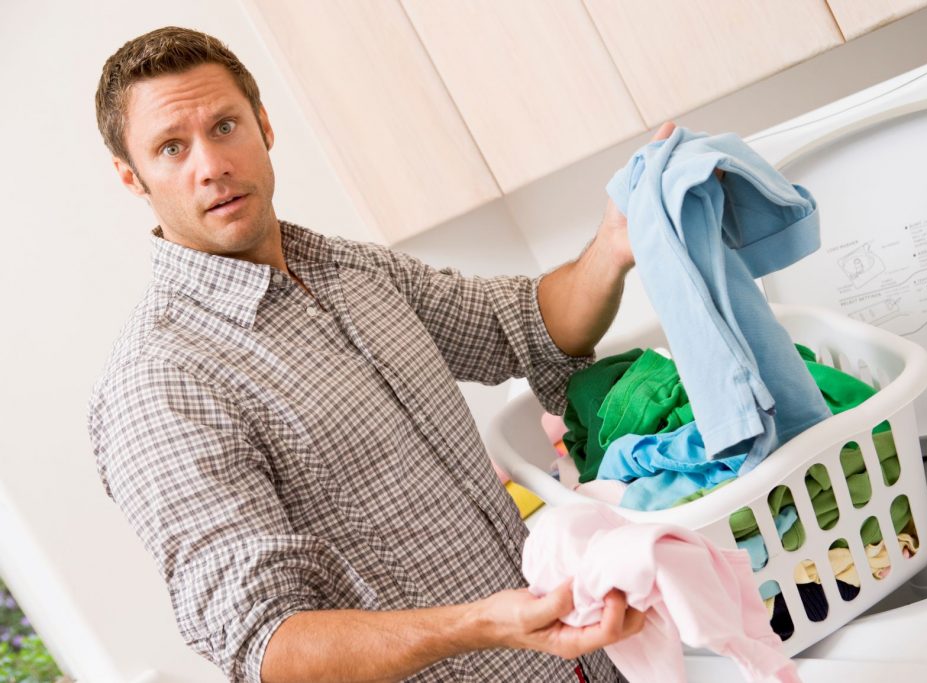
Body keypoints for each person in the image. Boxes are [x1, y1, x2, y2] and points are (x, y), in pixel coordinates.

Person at [89, 26, 673, 683]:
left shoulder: (347, 268)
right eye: (172, 147)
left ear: (264, 125)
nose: (210, 164)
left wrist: (612, 245)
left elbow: (522, 325)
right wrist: (479, 623)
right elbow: (268, 646)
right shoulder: (159, 383)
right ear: (131, 176)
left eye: (225, 126)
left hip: (589, 662)